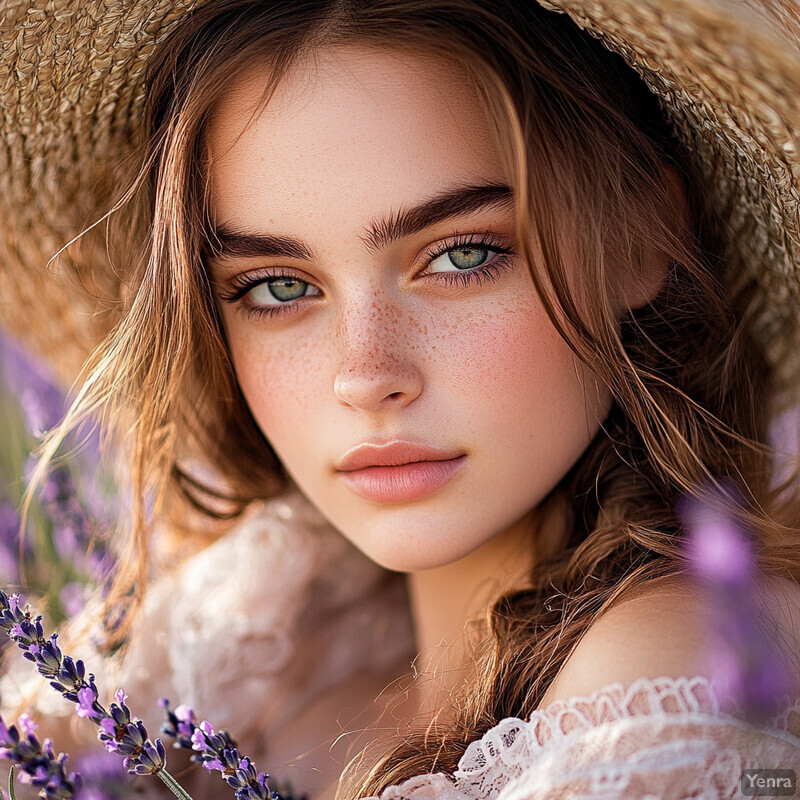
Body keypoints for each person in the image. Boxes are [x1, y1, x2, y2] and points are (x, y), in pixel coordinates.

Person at [1, 0, 800, 797]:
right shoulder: (285, 622)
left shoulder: (683, 679)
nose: (365, 376)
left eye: (459, 255)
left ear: (640, 238)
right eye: (278, 286)